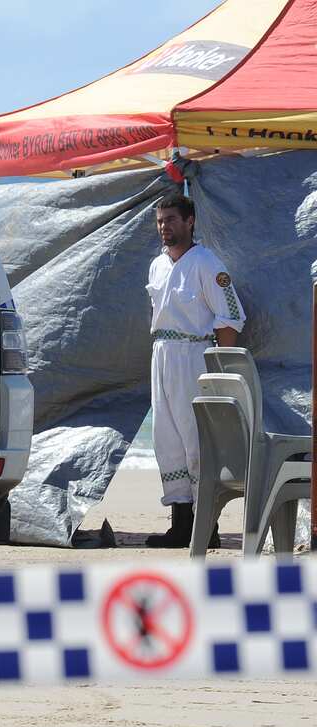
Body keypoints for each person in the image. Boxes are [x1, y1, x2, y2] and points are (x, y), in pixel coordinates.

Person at [145, 194, 246, 548]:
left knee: (196, 440)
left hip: (194, 354)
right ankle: (180, 527)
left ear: (190, 222)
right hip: (162, 354)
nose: (164, 227)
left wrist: (219, 366)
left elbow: (231, 315)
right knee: (166, 437)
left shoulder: (207, 264)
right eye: (160, 221)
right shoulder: (157, 265)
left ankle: (208, 528)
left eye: (171, 220)